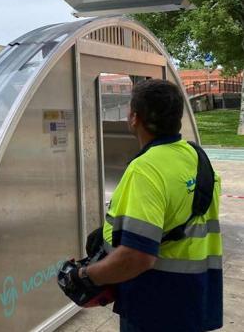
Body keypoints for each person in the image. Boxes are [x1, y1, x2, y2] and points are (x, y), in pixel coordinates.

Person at [82, 79, 223, 332]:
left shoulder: (145, 170)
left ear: (134, 118)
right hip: (195, 295)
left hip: (156, 303)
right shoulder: (196, 156)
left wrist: (87, 275)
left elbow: (138, 257)